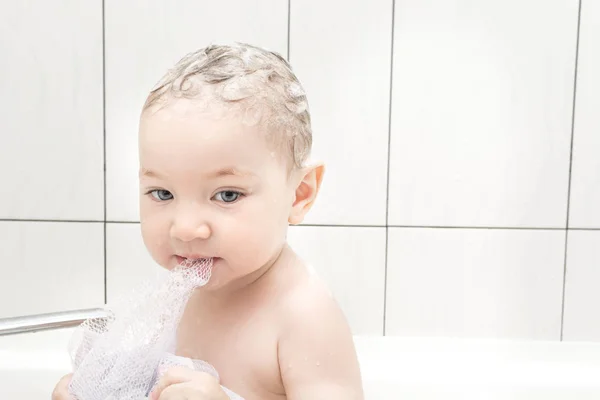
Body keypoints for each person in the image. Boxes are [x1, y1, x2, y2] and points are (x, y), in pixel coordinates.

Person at [52, 42, 364, 400]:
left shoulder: (304, 315)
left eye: (227, 195)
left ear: (299, 195)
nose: (184, 228)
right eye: (162, 194)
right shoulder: (184, 293)